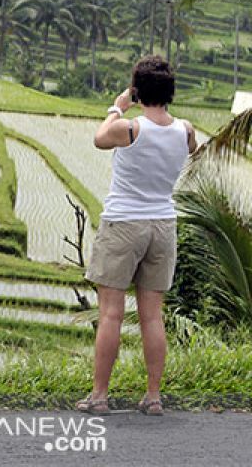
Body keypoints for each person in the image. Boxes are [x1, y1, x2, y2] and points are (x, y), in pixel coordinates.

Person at [77, 55, 197, 416]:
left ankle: (99, 396)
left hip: (125, 223)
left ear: (138, 91)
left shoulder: (129, 128)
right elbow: (192, 151)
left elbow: (100, 139)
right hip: (163, 225)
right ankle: (154, 396)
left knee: (111, 313)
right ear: (170, 92)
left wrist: (116, 107)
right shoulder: (186, 130)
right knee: (152, 316)